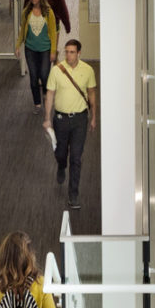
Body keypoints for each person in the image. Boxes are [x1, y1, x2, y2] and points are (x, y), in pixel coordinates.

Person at [46, 40, 98, 212]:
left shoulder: (88, 70)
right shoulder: (56, 71)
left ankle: (73, 194)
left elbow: (91, 93)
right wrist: (47, 117)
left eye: (72, 52)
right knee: (61, 153)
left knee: (76, 158)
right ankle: (61, 166)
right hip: (60, 119)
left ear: (79, 53)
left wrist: (93, 116)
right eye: (66, 52)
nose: (68, 55)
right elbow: (50, 94)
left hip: (79, 120)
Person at [17, 0, 58, 114]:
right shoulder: (26, 12)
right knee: (33, 77)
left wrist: (53, 51)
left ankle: (46, 95)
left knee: (45, 75)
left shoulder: (48, 12)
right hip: (30, 49)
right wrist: (18, 46)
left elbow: (53, 32)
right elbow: (22, 30)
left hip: (45, 49)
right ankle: (37, 104)